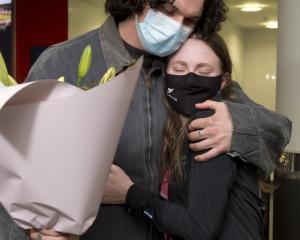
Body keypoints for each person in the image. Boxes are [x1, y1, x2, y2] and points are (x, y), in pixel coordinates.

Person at [0, 0, 291, 239]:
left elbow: (277, 128)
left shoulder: (188, 66)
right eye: (168, 11)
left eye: (190, 20)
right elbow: (14, 169)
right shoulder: (63, 62)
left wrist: (235, 124)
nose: (177, 26)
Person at [104, 32, 265, 240]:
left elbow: (199, 229)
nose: (190, 80)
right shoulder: (176, 128)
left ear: (223, 80)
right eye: (179, 69)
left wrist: (129, 193)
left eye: (204, 71)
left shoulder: (211, 124)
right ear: (166, 73)